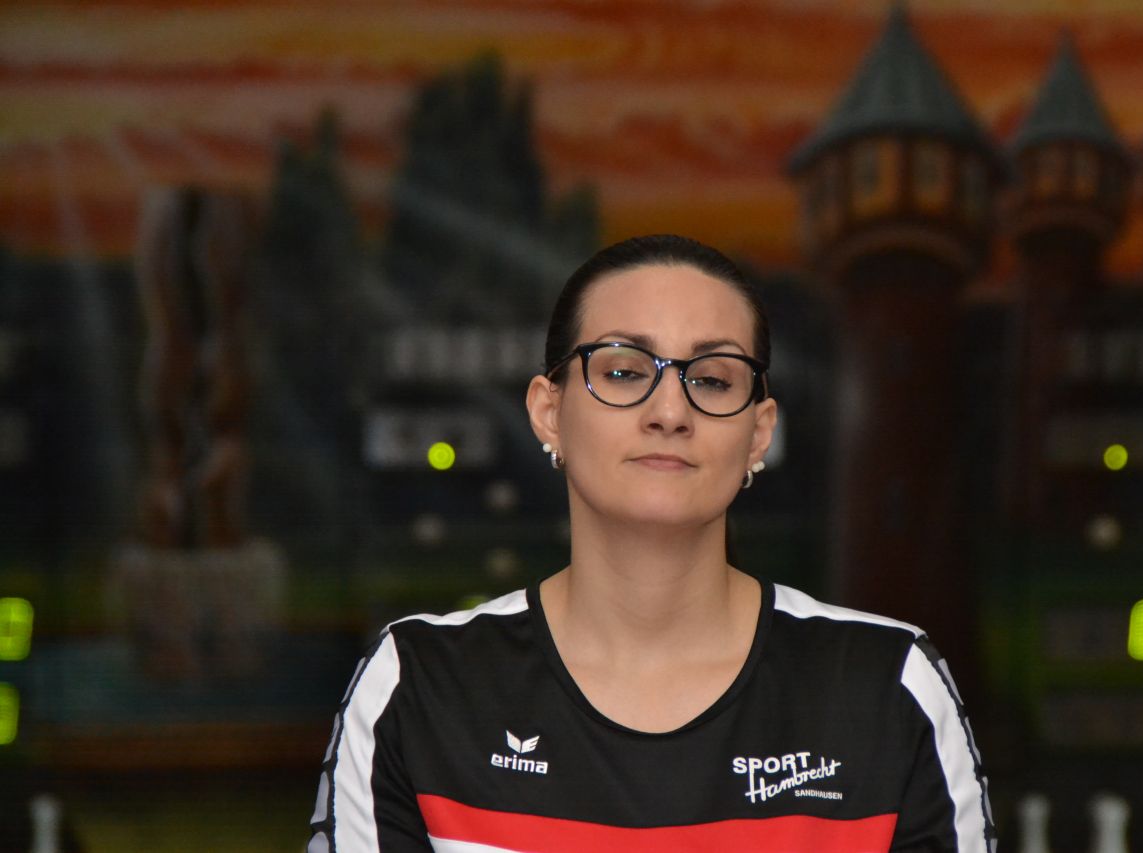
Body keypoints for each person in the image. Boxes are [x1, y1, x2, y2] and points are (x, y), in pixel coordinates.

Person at [307, 234, 995, 852]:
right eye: (624, 371)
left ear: (759, 433)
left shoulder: (888, 686)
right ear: (549, 412)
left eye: (713, 379)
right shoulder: (417, 687)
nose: (670, 411)